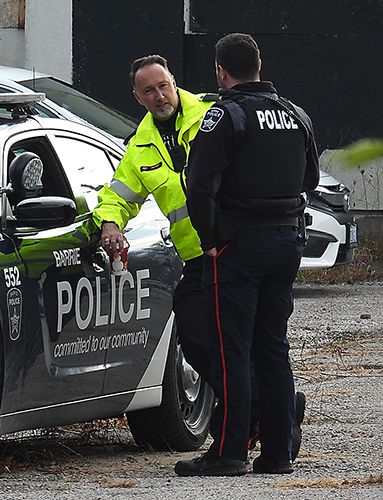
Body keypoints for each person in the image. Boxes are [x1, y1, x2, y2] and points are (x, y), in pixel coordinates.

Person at [176, 33, 319, 476]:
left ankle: (228, 452)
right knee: (273, 348)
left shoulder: (224, 115)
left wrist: (211, 240)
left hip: (238, 247)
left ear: (221, 71)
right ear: (260, 63)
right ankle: (278, 454)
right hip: (286, 244)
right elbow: (310, 179)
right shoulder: (295, 114)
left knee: (231, 350)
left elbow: (199, 186)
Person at [93, 55, 216, 383]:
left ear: (174, 83)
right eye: (149, 91)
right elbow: (117, 196)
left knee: (244, 339)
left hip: (236, 249)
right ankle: (261, 407)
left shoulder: (213, 116)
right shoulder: (139, 147)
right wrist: (109, 223)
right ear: (137, 97)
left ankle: (261, 413)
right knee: (193, 336)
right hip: (197, 259)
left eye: (163, 86)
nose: (159, 96)